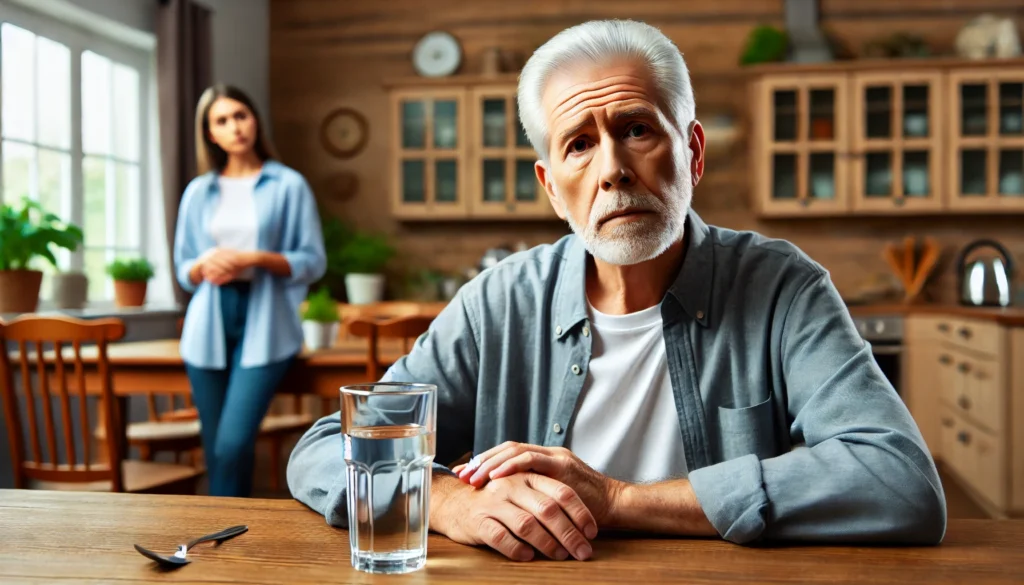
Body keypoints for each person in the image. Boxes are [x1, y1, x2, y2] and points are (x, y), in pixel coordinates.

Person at [287, 20, 945, 560]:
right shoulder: (499, 301)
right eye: (579, 144)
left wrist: (618, 499)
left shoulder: (782, 287)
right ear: (551, 185)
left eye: (636, 129)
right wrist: (448, 500)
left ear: (692, 150)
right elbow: (322, 449)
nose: (613, 171)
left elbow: (898, 480)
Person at [174, 84, 326, 498]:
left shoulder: (288, 185)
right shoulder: (198, 192)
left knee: (233, 444)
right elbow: (183, 269)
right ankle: (224, 543)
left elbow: (313, 261)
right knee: (215, 449)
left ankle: (226, 539)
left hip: (267, 320)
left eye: (240, 115)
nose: (234, 127)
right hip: (207, 321)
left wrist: (253, 259)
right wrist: (205, 265)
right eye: (221, 120)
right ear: (210, 134)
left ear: (254, 120)